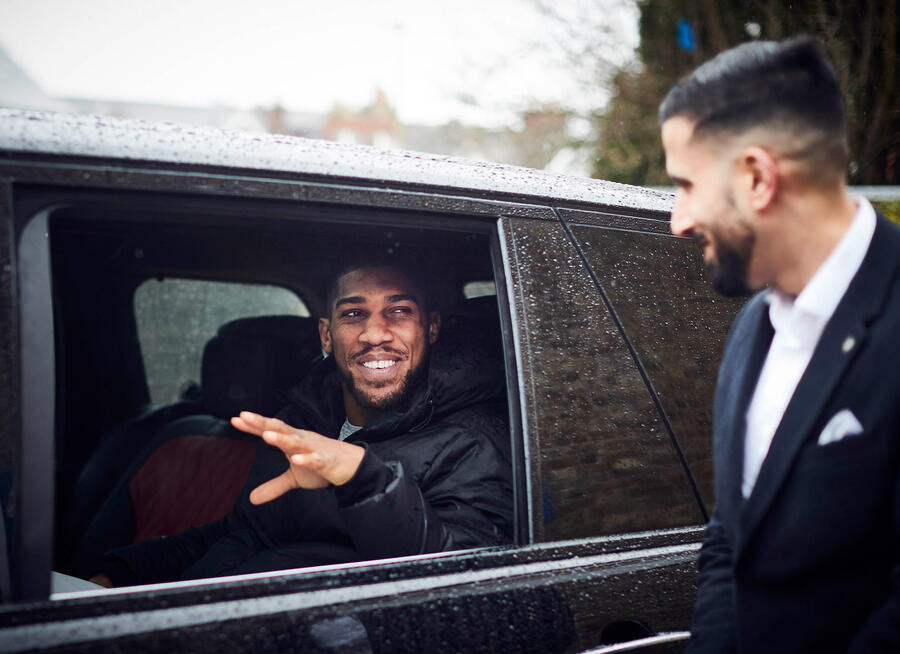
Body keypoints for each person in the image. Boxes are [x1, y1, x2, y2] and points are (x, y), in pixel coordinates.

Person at [659, 37, 900, 653]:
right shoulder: (751, 328)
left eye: (687, 184)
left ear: (758, 178)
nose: (678, 221)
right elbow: (730, 538)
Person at [90, 261, 513, 586]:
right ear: (326, 335)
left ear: (431, 328)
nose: (374, 334)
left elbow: (461, 582)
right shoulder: (302, 421)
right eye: (354, 314)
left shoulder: (474, 441)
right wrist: (123, 575)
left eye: (399, 311)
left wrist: (363, 478)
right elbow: (246, 535)